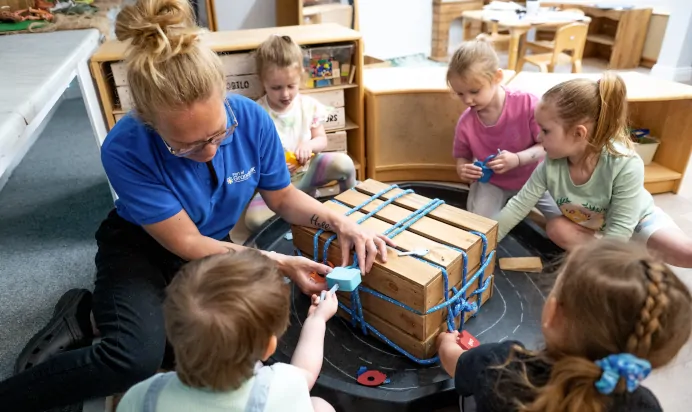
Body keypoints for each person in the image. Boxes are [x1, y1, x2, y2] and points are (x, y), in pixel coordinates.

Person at [0, 1, 393, 410]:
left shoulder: (252, 119)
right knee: (133, 360)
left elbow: (281, 197)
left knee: (228, 346)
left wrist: (339, 221)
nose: (208, 153)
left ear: (225, 98)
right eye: (184, 145)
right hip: (141, 247)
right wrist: (276, 261)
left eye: (218, 134)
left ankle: (97, 315)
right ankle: (39, 365)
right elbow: (185, 242)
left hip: (212, 243)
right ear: (150, 123)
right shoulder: (125, 146)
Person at [437, 238, 692, 412]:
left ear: (553, 314)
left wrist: (446, 342)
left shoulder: (497, 364)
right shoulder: (645, 406)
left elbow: (452, 360)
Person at [494, 71, 692, 267]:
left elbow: (620, 228)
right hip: (594, 228)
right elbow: (519, 205)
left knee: (686, 253)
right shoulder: (551, 165)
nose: (538, 138)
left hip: (639, 222)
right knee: (557, 228)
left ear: (579, 133)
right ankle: (623, 257)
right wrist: (487, 242)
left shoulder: (625, 164)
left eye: (545, 130)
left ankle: (623, 256)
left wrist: (603, 267)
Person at [116, 249, 337, 412]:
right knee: (320, 407)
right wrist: (317, 320)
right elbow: (305, 373)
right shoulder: (280, 391)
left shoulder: (142, 396)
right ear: (269, 347)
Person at [245, 34, 357, 233]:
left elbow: (321, 139)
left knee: (344, 163)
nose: (285, 94)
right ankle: (296, 221)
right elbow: (250, 156)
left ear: (300, 77)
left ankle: (351, 211)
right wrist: (272, 167)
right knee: (253, 220)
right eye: (276, 88)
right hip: (277, 187)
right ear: (263, 82)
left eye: (291, 86)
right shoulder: (256, 112)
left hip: (309, 173)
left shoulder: (308, 106)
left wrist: (309, 146)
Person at [448, 37, 561, 221]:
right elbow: (463, 156)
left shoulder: (527, 104)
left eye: (474, 91)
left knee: (564, 217)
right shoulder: (466, 123)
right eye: (460, 93)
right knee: (479, 226)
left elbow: (546, 147)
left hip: (535, 180)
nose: (467, 100)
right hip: (492, 184)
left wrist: (517, 159)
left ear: (497, 77)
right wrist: (463, 169)